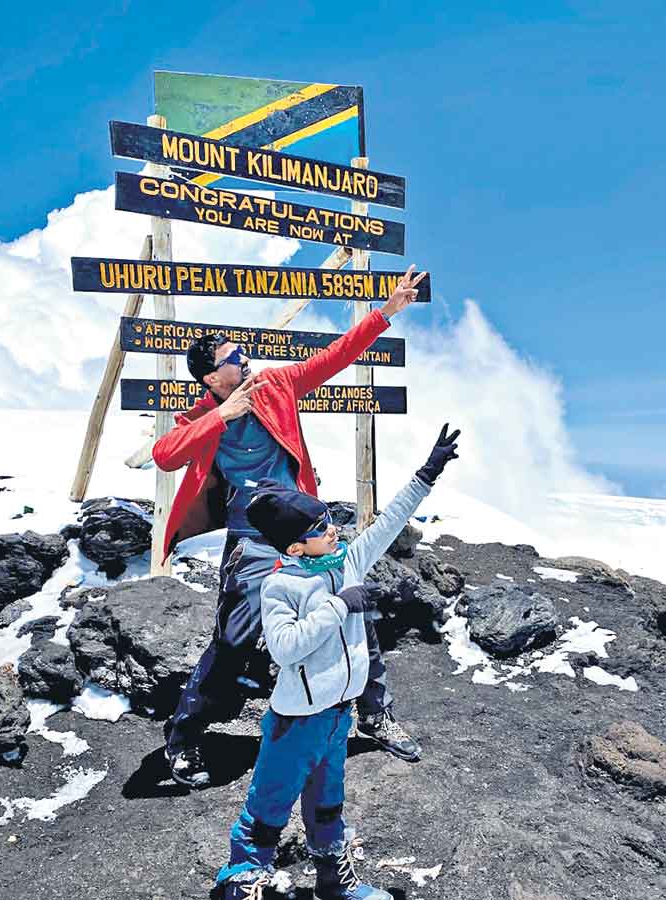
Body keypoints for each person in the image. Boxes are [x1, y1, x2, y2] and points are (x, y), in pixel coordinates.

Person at [154, 266, 429, 786]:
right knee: (234, 639)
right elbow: (165, 455)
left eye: (241, 352)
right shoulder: (201, 414)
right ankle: (184, 740)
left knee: (355, 613)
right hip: (253, 538)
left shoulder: (276, 384)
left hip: (307, 526)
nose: (244, 360)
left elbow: (335, 357)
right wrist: (223, 415)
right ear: (212, 379)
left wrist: (386, 312)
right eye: (232, 359)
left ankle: (376, 715)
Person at [216, 425, 461, 900]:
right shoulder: (281, 586)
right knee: (270, 803)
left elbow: (387, 525)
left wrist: (427, 474)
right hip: (296, 720)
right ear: (293, 548)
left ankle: (334, 882)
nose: (332, 529)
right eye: (318, 528)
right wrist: (339, 606)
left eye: (327, 519)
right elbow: (285, 648)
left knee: (327, 804)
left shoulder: (344, 561)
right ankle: (243, 879)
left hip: (336, 716)